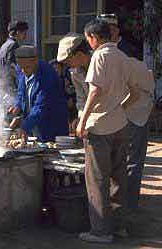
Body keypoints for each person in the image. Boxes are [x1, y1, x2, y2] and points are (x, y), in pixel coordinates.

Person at [76, 19, 140, 243]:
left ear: (94, 38)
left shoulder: (99, 56)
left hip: (100, 127)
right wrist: (120, 107)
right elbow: (136, 92)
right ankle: (119, 226)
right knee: (118, 177)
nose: (89, 44)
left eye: (88, 40)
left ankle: (101, 231)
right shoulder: (122, 57)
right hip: (121, 125)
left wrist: (82, 121)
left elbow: (94, 91)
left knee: (97, 179)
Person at [9, 45, 69, 142]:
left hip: (51, 127)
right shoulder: (22, 69)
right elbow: (21, 92)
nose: (23, 71)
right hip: (34, 126)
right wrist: (17, 105)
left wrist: (25, 126)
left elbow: (41, 106)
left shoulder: (47, 75)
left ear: (35, 60)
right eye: (21, 67)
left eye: (27, 67)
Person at [124, 58, 155, 210]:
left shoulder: (122, 62)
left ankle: (129, 204)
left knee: (132, 159)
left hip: (138, 112)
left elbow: (134, 94)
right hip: (127, 110)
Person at [57, 33, 91, 126]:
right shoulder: (75, 73)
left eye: (68, 61)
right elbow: (81, 98)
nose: (67, 65)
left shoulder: (101, 63)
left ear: (79, 54)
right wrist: (81, 118)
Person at [0, 20, 29, 90]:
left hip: (1, 81)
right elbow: (12, 66)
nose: (25, 35)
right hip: (8, 84)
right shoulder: (13, 45)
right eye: (24, 33)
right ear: (18, 32)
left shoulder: (5, 44)